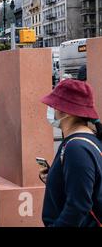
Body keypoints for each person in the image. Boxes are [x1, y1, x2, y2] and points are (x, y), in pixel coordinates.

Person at [40, 79, 102, 227]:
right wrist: (55, 177)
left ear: (65, 111)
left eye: (54, 106)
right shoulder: (87, 140)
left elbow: (78, 206)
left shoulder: (76, 148)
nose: (52, 109)